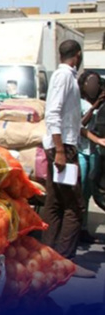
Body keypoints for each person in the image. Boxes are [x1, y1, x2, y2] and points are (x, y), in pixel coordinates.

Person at [42, 40, 103, 278]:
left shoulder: (65, 77)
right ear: (77, 56)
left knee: (55, 203)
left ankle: (48, 257)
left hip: (64, 145)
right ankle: (65, 260)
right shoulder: (65, 77)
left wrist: (96, 140)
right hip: (63, 149)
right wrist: (59, 150)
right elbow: (53, 115)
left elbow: (72, 122)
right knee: (75, 206)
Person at [77, 71, 105, 243]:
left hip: (95, 151)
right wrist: (94, 106)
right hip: (81, 149)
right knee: (80, 189)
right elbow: (80, 124)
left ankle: (84, 227)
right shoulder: (79, 102)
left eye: (96, 83)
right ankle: (77, 226)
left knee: (89, 190)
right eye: (90, 82)